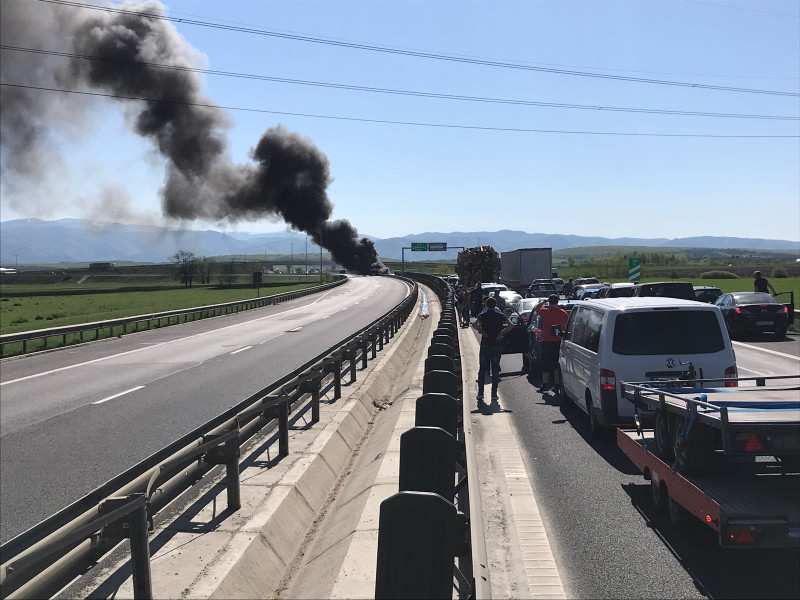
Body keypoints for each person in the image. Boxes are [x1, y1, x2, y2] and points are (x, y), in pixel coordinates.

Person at [472, 296, 514, 403]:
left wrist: (483, 332)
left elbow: (474, 324)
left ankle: (480, 393)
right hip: (496, 344)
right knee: (495, 370)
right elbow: (511, 325)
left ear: (486, 305)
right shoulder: (501, 315)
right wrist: (501, 334)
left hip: (485, 344)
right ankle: (494, 394)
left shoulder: (482, 315)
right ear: (495, 305)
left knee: (482, 370)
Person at [535, 294, 569, 392]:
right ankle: (557, 384)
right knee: (556, 363)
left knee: (546, 363)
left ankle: (545, 384)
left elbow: (537, 308)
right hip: (558, 341)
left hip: (547, 341)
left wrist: (544, 301)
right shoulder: (563, 313)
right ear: (558, 302)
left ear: (549, 302)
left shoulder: (545, 312)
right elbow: (565, 326)